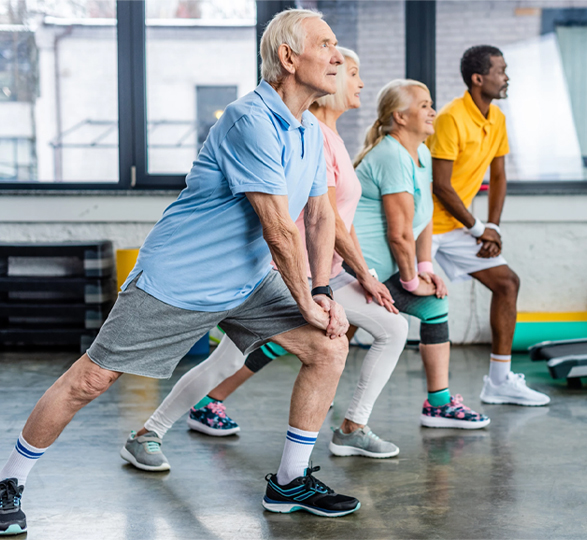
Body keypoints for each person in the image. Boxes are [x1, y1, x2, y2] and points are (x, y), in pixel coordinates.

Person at [0, 9, 361, 534]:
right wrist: (306, 299)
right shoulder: (249, 119)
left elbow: (321, 213)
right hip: (180, 279)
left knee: (327, 345)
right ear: (289, 57)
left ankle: (289, 482)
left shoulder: (308, 131)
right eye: (326, 45)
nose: (337, 55)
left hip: (249, 280)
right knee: (92, 380)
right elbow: (278, 227)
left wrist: (323, 288)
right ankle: (9, 482)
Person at [120, 46, 409, 466]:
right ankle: (349, 429)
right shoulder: (313, 135)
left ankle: (154, 430)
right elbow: (317, 219)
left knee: (239, 360)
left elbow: (336, 219)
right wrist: (359, 275)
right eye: (352, 72)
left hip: (321, 276)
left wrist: (352, 273)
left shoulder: (328, 136)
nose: (359, 81)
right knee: (386, 330)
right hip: (292, 275)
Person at [353, 79, 489, 429]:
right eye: (424, 105)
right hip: (358, 272)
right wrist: (411, 281)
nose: (432, 111)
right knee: (298, 339)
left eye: (431, 104)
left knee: (434, 306)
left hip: (383, 273)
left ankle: (439, 404)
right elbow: (398, 234)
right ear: (400, 117)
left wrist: (425, 267)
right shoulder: (390, 155)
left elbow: (423, 218)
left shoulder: (420, 153)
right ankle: (210, 400)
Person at [427, 45, 550, 407]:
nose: (506, 77)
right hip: (425, 225)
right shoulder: (451, 117)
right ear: (478, 79)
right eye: (500, 70)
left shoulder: (496, 119)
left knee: (507, 282)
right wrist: (480, 229)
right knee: (367, 298)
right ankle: (326, 367)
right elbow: (441, 186)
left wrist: (493, 227)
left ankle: (499, 382)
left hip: (457, 225)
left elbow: (498, 176)